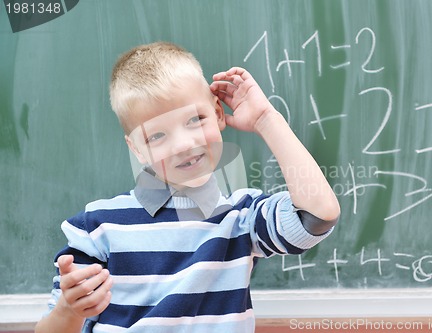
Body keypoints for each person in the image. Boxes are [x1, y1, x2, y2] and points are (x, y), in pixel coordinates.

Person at [35, 42, 340, 333]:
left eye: (195, 119)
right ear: (137, 149)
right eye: (157, 136)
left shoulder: (242, 218)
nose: (184, 144)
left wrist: (265, 119)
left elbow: (317, 216)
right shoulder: (97, 227)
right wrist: (69, 309)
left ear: (219, 113)